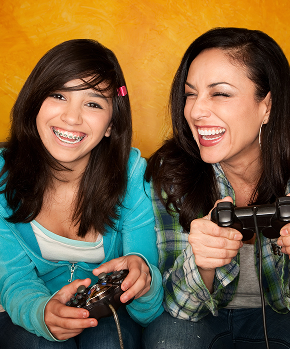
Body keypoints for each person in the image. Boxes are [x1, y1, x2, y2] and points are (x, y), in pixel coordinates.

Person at [0, 39, 163, 349]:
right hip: (25, 312)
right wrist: (43, 312)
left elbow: (148, 313)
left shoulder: (131, 174)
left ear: (110, 126)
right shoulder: (1, 175)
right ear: (35, 103)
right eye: (59, 95)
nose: (71, 118)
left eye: (92, 103)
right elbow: (14, 282)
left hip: (109, 315)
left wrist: (145, 281)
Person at [143, 27, 290, 349]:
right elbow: (180, 308)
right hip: (201, 320)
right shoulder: (170, 173)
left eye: (220, 93)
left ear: (267, 105)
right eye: (190, 93)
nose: (195, 111)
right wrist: (202, 263)